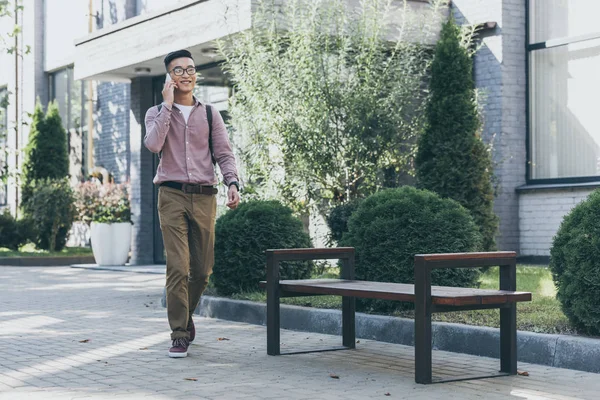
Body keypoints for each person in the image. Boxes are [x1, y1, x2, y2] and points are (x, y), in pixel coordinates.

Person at [144, 49, 240, 358]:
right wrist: (168, 106)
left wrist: (232, 183)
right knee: (178, 266)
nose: (185, 74)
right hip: (171, 195)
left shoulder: (211, 113)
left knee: (202, 271)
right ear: (169, 77)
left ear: (196, 75)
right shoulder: (155, 112)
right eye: (178, 70)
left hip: (204, 197)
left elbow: (224, 153)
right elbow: (154, 144)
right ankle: (179, 333)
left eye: (190, 69)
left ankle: (185, 317)